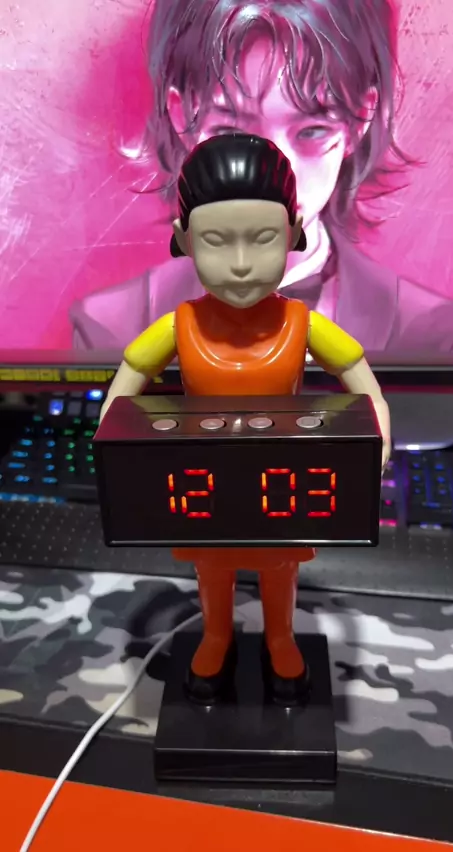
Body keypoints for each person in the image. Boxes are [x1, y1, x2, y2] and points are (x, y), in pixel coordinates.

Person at [99, 133, 391, 705]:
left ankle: (281, 637)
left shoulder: (302, 324)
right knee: (213, 566)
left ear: (293, 233)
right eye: (215, 241)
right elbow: (130, 377)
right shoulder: (178, 327)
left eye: (263, 240)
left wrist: (378, 427)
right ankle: (216, 634)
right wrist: (113, 442)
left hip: (281, 486)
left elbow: (356, 371)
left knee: (278, 565)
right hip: (203, 487)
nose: (239, 265)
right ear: (185, 239)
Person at [70, 0, 453, 353]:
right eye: (232, 131)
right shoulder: (112, 326)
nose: (278, 175)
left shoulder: (427, 329)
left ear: (360, 121)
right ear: (181, 118)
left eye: (311, 131)